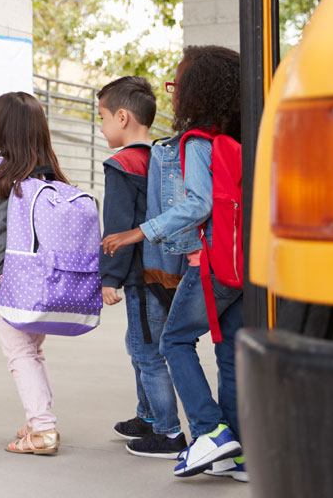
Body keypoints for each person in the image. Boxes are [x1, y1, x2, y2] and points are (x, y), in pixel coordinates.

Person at [102, 46, 245, 481]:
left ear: (197, 93)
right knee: (229, 354)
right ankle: (240, 452)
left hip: (212, 263)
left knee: (174, 341)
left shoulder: (197, 143)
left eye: (178, 85)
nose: (174, 95)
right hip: (243, 264)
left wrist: (137, 232)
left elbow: (198, 204)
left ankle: (209, 430)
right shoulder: (240, 139)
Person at [0, 91, 72, 456]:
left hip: (12, 284)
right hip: (48, 283)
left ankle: (43, 430)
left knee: (20, 355)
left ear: (0, 128)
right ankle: (40, 419)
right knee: (33, 353)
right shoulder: (53, 177)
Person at [96, 77, 187, 460]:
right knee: (141, 346)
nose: (100, 127)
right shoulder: (162, 159)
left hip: (139, 275)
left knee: (148, 351)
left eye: (101, 117)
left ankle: (168, 432)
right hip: (167, 270)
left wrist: (109, 278)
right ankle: (147, 415)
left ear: (122, 117)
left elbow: (116, 226)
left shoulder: (122, 164)